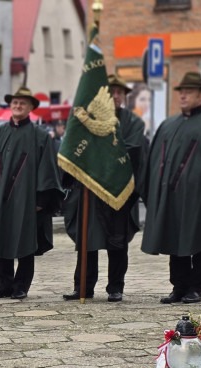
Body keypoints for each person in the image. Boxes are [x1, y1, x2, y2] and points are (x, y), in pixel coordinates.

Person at [140, 71, 201, 304]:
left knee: (200, 239)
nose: (183, 95)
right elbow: (156, 160)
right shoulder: (169, 124)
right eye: (181, 92)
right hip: (172, 195)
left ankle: (198, 286)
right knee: (175, 239)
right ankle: (179, 285)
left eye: (189, 91)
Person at [0, 87, 63, 300]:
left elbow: (48, 169)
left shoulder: (41, 137)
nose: (18, 106)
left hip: (27, 200)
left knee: (25, 241)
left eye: (22, 103)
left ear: (30, 107)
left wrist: (41, 200)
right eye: (15, 103)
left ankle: (21, 286)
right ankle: (3, 285)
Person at [62, 74, 147, 303]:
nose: (115, 96)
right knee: (87, 242)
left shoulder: (133, 123)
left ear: (124, 97)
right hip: (89, 190)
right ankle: (83, 287)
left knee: (117, 243)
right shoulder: (85, 122)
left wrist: (98, 155)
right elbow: (73, 150)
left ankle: (115, 287)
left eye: (119, 92)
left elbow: (132, 150)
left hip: (119, 192)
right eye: (111, 92)